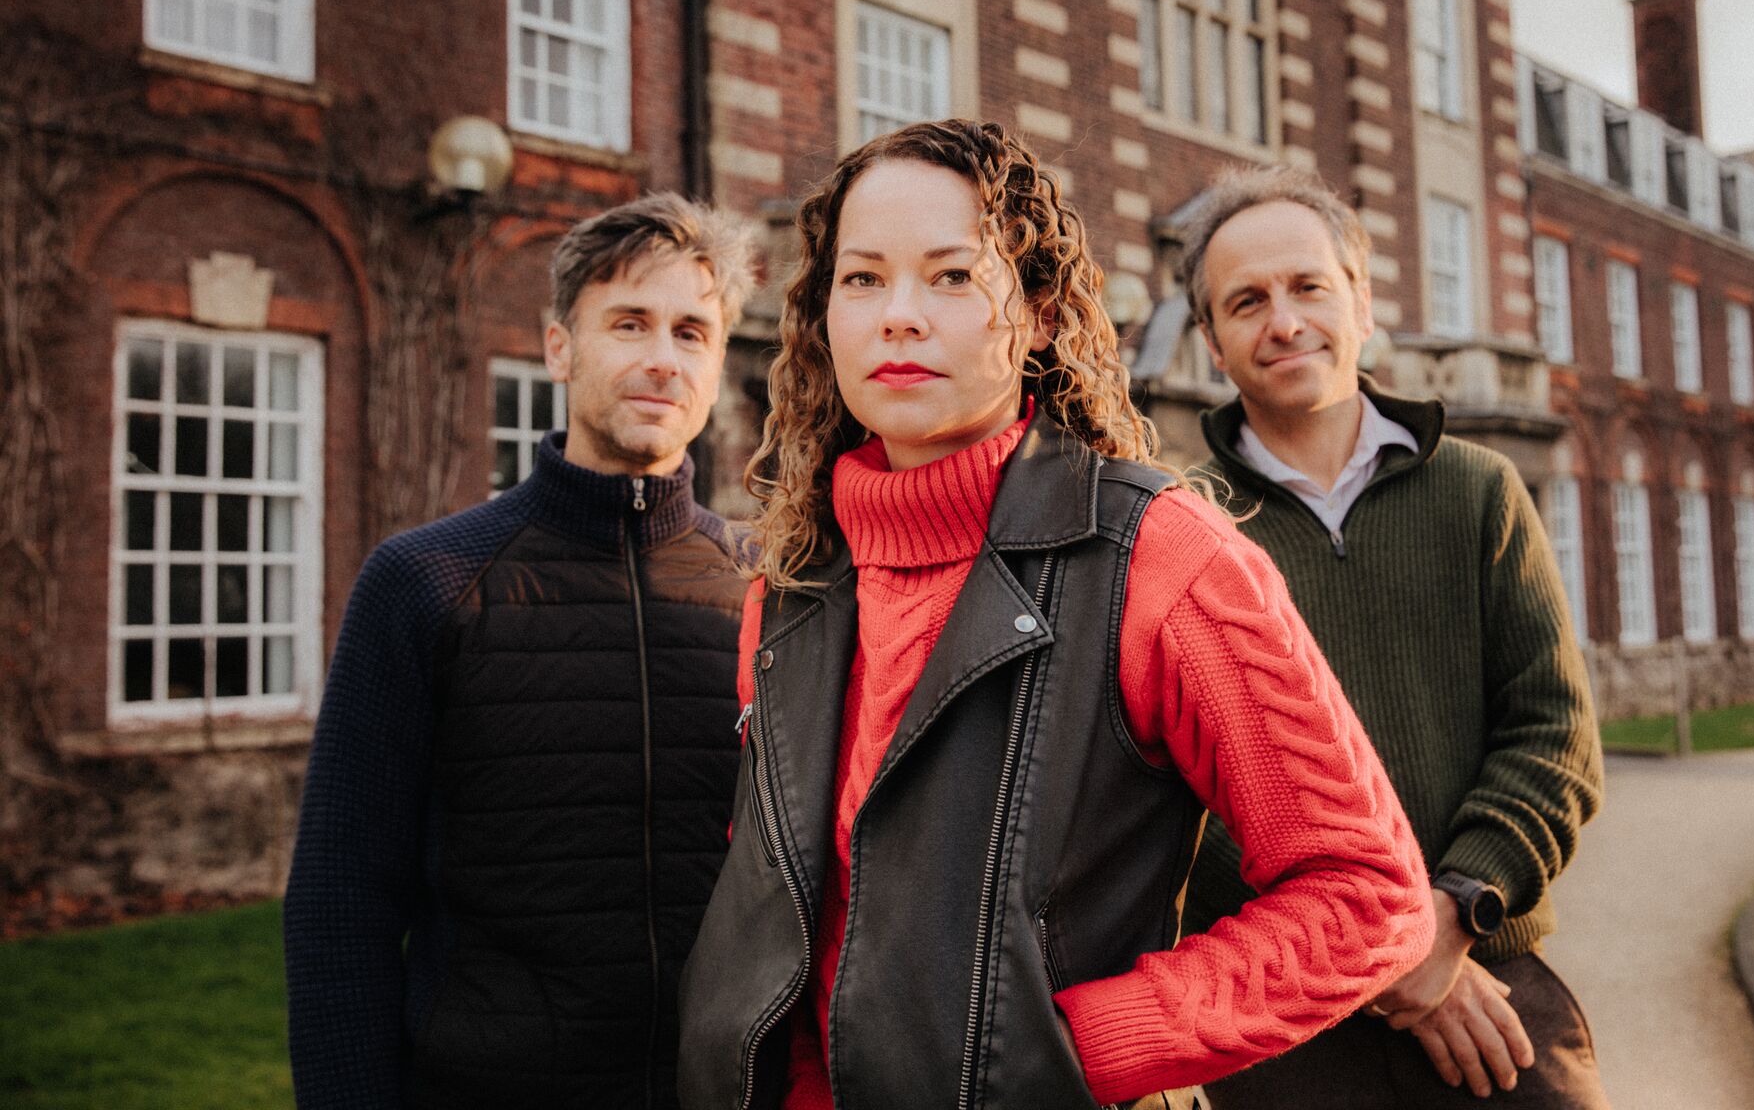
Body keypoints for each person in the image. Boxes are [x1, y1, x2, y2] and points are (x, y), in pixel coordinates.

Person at [676, 119, 1435, 1110]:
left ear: (1037, 312)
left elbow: (1366, 895)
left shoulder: (1164, 559)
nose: (900, 314)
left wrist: (1077, 1047)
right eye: (861, 279)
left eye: (952, 275)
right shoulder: (793, 579)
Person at [284, 194, 759, 1108]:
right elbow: (343, 897)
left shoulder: (767, 586)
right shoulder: (425, 580)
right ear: (558, 348)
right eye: (630, 323)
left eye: (693, 332)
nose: (663, 358)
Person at [1175, 165, 1607, 1107]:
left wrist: (1449, 919)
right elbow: (1178, 799)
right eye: (1246, 301)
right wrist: (1371, 954)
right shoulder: (1176, 530)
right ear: (1211, 342)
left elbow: (1553, 739)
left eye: (1308, 287)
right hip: (1294, 1029)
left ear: (1362, 302)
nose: (1283, 321)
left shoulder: (1479, 492)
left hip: (1495, 990)